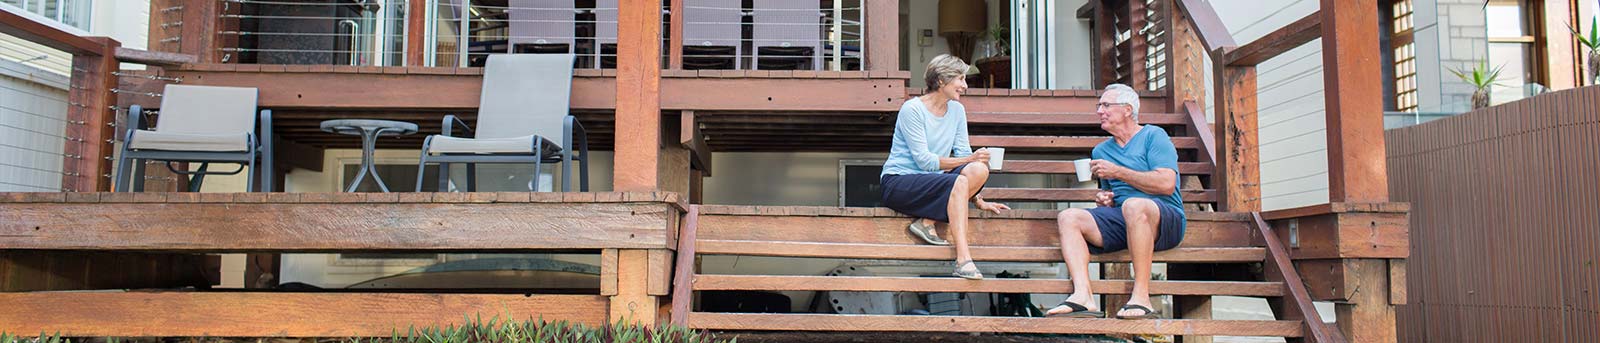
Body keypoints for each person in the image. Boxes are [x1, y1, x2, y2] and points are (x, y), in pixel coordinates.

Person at [1045, 84, 1186, 319]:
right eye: (1099, 105)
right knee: (1068, 217)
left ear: (1128, 110)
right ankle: (1083, 296)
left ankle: (1141, 297)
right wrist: (1105, 199)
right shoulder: (1101, 151)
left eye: (1106, 105)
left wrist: (1119, 172)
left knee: (1134, 204)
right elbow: (1114, 193)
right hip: (1126, 219)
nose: (1100, 110)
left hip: (1165, 220)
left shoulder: (1154, 136)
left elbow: (1166, 183)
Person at [879, 54, 1009, 280]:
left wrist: (977, 199)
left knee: (979, 169)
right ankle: (963, 260)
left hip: (936, 185)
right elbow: (925, 161)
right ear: (941, 80)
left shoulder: (957, 111)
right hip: (899, 182)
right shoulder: (913, 109)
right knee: (963, 175)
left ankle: (927, 222)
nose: (965, 86)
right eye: (960, 79)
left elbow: (962, 153)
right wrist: (969, 160)